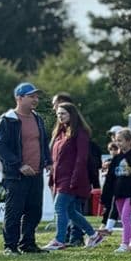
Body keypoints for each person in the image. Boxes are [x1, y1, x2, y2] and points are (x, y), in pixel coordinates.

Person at [0, 81, 50, 254]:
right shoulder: (7, 120)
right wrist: (19, 165)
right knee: (14, 212)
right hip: (16, 175)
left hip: (36, 173)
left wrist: (48, 161)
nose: (35, 100)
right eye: (31, 96)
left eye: (37, 97)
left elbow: (43, 142)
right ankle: (10, 246)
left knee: (34, 211)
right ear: (19, 98)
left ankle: (28, 244)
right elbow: (0, 147)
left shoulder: (38, 119)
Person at [47, 100, 95, 249]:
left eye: (63, 113)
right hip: (59, 178)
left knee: (59, 207)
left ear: (72, 114)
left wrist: (75, 178)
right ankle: (94, 235)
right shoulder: (59, 133)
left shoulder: (80, 133)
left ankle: (59, 240)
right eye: (58, 114)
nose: (60, 116)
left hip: (71, 178)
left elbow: (81, 158)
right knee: (71, 211)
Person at [106, 129, 131, 253]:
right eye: (116, 140)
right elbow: (112, 176)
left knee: (125, 217)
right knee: (125, 218)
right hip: (119, 193)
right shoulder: (118, 158)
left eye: (120, 140)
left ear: (129, 141)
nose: (117, 143)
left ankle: (124, 244)